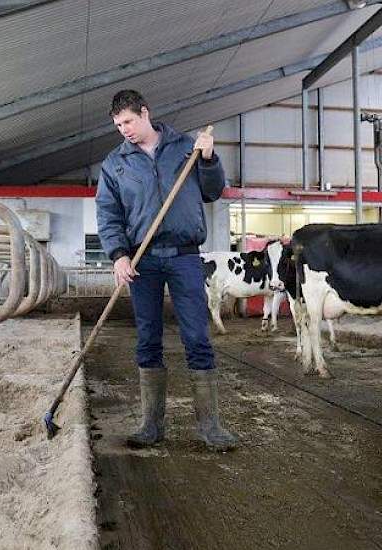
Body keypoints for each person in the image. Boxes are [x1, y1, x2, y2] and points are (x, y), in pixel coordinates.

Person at [95, 89, 238, 452]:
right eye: (117, 125)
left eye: (128, 121)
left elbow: (213, 191)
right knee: (147, 338)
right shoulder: (115, 164)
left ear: (145, 113)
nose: (123, 129)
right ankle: (151, 426)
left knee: (197, 337)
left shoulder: (184, 147)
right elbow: (109, 215)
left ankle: (210, 427)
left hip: (185, 257)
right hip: (141, 261)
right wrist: (118, 255)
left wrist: (208, 159)